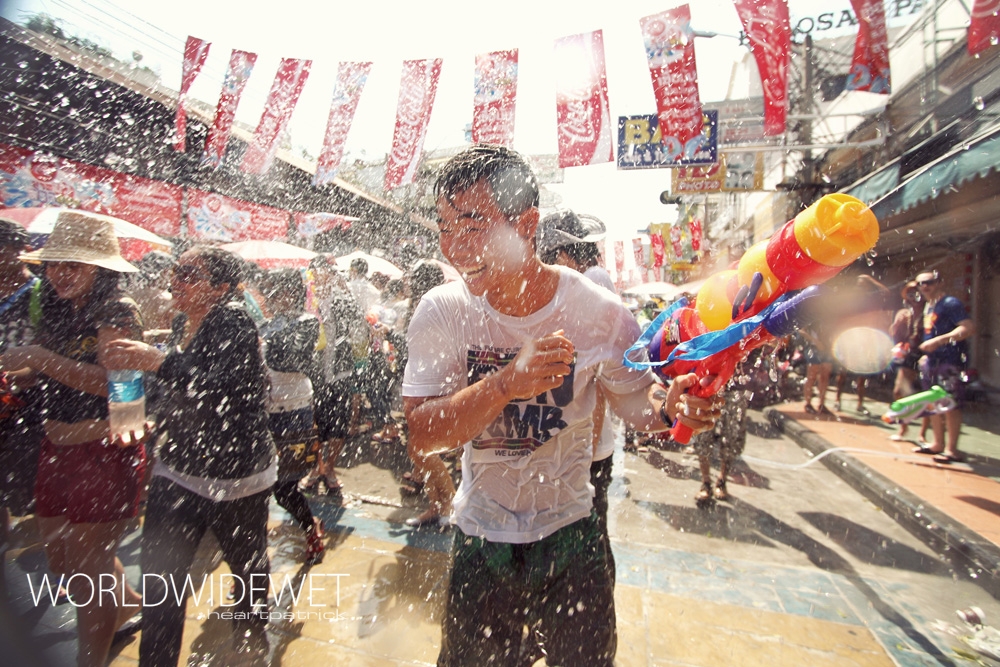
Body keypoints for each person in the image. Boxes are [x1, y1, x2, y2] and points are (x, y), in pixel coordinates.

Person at [402, 144, 719, 666]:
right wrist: (506, 384)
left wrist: (673, 408)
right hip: (482, 535)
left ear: (527, 224)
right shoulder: (444, 310)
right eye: (444, 226)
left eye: (473, 225)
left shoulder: (598, 314)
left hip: (572, 531)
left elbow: (639, 405)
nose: (454, 248)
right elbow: (424, 434)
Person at [103, 246, 275, 666]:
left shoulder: (232, 320)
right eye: (176, 271)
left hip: (236, 479)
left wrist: (157, 361)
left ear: (219, 289)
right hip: (178, 471)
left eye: (187, 273)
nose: (175, 279)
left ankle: (250, 642)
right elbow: (178, 392)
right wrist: (143, 416)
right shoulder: (180, 322)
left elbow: (223, 391)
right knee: (162, 585)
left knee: (247, 569)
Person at [0, 212, 146, 667]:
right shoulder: (60, 307)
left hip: (104, 451)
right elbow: (51, 376)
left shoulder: (117, 310)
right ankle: (128, 604)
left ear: (100, 269)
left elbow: (119, 386)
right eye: (55, 263)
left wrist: (40, 359)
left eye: (74, 265)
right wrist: (18, 375)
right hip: (56, 447)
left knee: (88, 574)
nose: (60, 273)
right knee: (63, 563)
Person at [258, 268, 325, 564]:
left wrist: (264, 342)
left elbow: (288, 359)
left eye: (278, 290)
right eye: (271, 290)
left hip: (293, 412)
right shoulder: (264, 324)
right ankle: (254, 557)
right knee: (257, 485)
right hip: (263, 411)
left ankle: (311, 530)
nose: (273, 297)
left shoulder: (307, 322)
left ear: (291, 293)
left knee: (284, 488)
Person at [303, 254, 368, 497]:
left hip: (341, 369)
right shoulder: (308, 300)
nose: (323, 278)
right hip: (316, 371)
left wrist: (346, 293)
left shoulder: (343, 299)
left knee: (339, 423)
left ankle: (330, 468)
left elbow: (359, 326)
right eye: (318, 272)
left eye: (328, 272)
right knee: (315, 424)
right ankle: (316, 467)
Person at [397, 260, 455, 528]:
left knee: (423, 449)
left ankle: (448, 503)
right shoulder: (423, 303)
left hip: (434, 385)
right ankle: (435, 504)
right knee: (418, 449)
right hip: (418, 384)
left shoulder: (438, 304)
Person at [0, 219, 43, 548]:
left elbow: (52, 357)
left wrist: (12, 379)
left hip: (26, 412)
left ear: (19, 252)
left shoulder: (40, 295)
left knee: (27, 491)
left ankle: (65, 569)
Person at [910, 270, 976, 464]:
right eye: (920, 283)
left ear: (939, 282)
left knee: (950, 403)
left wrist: (939, 342)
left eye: (929, 282)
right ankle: (937, 443)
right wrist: (926, 354)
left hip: (949, 360)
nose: (924, 287)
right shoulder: (929, 307)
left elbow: (968, 328)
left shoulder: (950, 303)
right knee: (933, 402)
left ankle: (951, 449)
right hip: (932, 361)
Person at [889, 280, 927, 442]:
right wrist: (897, 324)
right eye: (909, 294)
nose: (913, 296)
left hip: (927, 353)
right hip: (909, 355)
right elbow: (894, 334)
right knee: (899, 391)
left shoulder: (929, 311)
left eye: (915, 292)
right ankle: (903, 427)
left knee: (926, 394)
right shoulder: (906, 313)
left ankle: (922, 434)